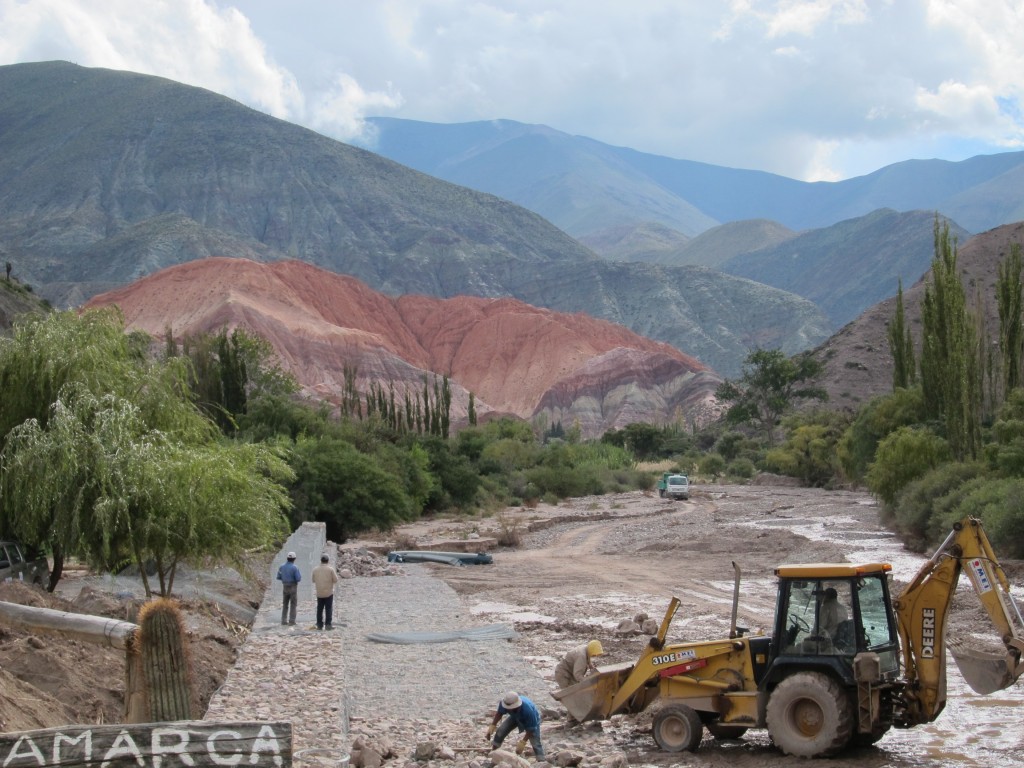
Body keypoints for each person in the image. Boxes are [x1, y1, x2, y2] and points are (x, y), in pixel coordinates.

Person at [486, 691, 544, 762]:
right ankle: (494, 752)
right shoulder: (504, 702)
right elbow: (499, 713)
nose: (508, 709)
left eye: (510, 708)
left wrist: (523, 742)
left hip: (531, 720)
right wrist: (493, 725)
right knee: (501, 731)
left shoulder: (528, 711)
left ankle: (541, 761)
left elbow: (531, 729)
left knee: (535, 742)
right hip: (515, 717)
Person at [311, 553, 339, 630]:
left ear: (321, 560)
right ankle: (328, 624)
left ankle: (319, 624)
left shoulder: (315, 569)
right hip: (328, 592)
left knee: (319, 609)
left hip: (319, 592)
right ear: (328, 561)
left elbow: (313, 580)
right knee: (328, 608)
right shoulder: (330, 569)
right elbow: (336, 580)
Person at [277, 551, 301, 626]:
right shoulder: (295, 568)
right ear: (294, 559)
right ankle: (292, 620)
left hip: (285, 586)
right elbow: (298, 578)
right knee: (293, 604)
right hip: (293, 586)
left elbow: (278, 577)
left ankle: (283, 620)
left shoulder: (281, 567)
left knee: (285, 604)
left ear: (287, 558)